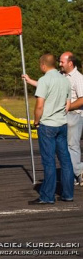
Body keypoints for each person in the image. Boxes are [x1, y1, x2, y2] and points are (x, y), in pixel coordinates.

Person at [27, 54, 73, 204]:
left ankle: (47, 196)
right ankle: (68, 193)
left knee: (49, 161)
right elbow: (67, 103)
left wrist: (36, 121)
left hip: (48, 124)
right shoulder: (65, 80)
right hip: (62, 123)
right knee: (65, 159)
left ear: (43, 65)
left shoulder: (44, 80)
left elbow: (40, 105)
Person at [59, 52, 83, 185]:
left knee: (72, 146)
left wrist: (68, 107)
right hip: (63, 116)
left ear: (70, 63)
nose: (60, 64)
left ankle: (79, 171)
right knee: (63, 146)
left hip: (75, 115)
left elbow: (82, 99)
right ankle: (73, 175)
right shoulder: (61, 75)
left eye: (62, 62)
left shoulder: (78, 78)